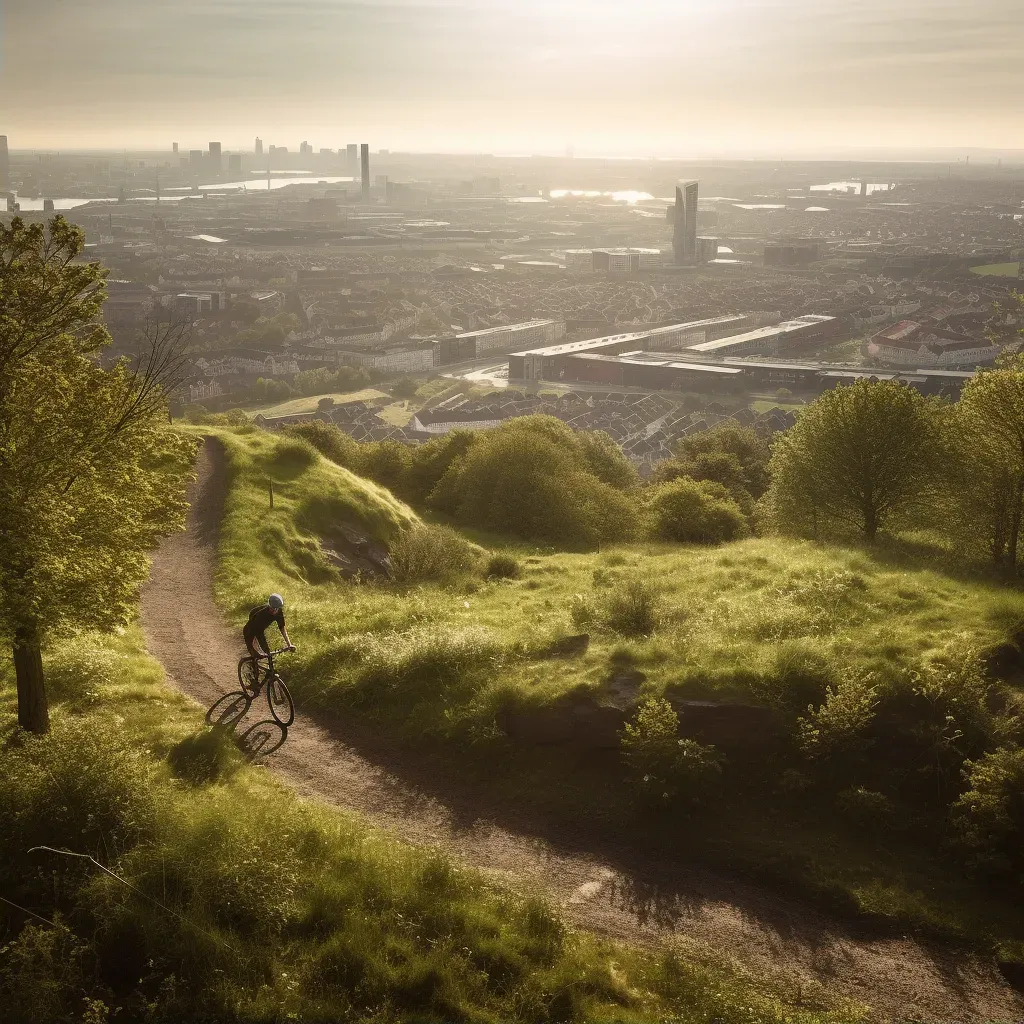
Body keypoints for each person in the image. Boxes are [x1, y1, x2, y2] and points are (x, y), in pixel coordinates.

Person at [242, 594, 295, 693]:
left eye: (276, 609)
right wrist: (256, 650)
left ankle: (267, 673)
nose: (274, 611)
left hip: (260, 631)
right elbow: (253, 634)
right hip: (250, 632)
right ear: (268, 605)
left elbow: (282, 629)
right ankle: (252, 680)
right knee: (256, 655)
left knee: (268, 653)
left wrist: (289, 644)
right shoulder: (260, 614)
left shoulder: (278, 612)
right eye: (272, 608)